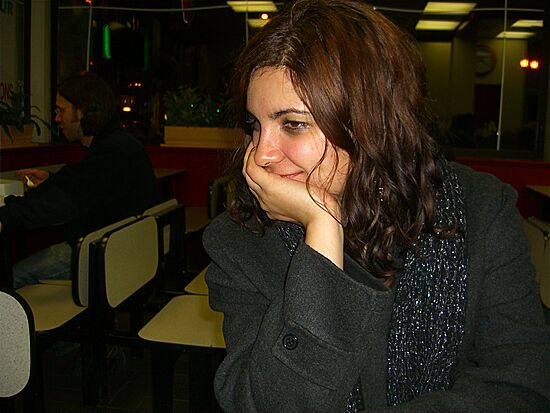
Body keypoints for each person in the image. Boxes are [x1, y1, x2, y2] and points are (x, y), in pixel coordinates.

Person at [202, 1, 550, 411]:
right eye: (254, 125)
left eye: (292, 124)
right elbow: (270, 404)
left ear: (372, 121)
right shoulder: (240, 242)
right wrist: (323, 230)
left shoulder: (479, 211)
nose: (262, 155)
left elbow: (521, 386)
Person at [0, 71, 160, 288]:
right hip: (123, 247)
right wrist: (51, 181)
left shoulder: (111, 153)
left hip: (106, 253)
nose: (57, 118)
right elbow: (82, 186)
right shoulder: (118, 144)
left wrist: (5, 214)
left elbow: (63, 202)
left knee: (12, 275)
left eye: (61, 110)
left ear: (82, 111)